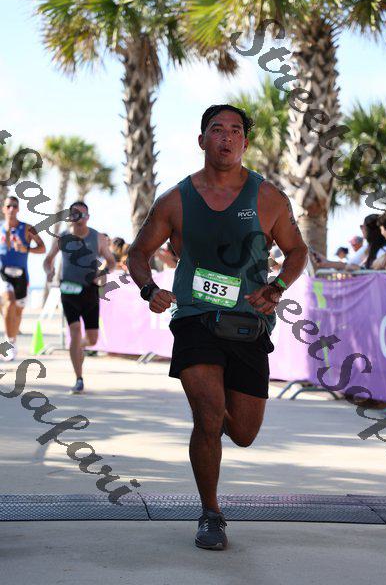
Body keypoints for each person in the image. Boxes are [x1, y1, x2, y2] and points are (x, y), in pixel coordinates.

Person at [128, 104, 308, 550]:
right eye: (216, 129)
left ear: (245, 142)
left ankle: (213, 416)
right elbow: (138, 252)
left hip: (248, 323)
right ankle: (211, 514)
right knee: (208, 417)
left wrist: (277, 286)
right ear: (202, 140)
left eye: (234, 131)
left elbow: (297, 251)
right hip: (195, 319)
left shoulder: (268, 198)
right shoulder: (175, 199)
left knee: (243, 432)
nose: (226, 137)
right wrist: (149, 289)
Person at [43, 201, 115, 393]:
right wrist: (49, 272)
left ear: (88, 217)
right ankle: (79, 378)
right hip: (69, 290)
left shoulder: (97, 237)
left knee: (92, 339)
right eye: (75, 214)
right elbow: (48, 260)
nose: (78, 218)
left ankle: (79, 346)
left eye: (82, 215)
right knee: (74, 330)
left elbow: (111, 261)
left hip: (90, 292)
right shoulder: (62, 237)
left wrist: (103, 272)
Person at [0, 195, 46, 361]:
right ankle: (8, 342)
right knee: (9, 302)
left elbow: (42, 248)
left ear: (18, 209)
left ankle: (12, 340)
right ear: (3, 209)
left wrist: (26, 249)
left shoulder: (27, 228)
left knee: (18, 312)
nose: (11, 209)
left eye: (14, 206)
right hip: (3, 273)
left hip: (21, 275)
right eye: (8, 206)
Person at [315, 214, 386, 272]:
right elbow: (349, 264)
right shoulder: (367, 248)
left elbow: (377, 272)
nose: (361, 229)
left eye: (362, 226)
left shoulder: (384, 250)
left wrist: (360, 269)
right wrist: (326, 262)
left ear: (370, 230)